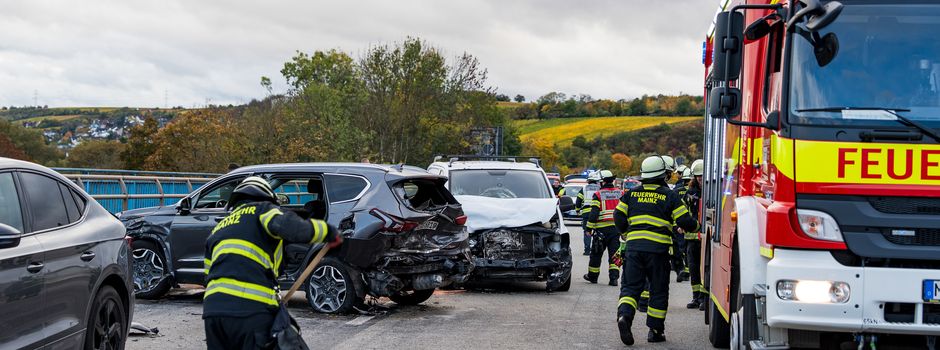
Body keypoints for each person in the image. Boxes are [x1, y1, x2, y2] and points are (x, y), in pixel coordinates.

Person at [203, 176, 343, 350]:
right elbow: (292, 227)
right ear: (267, 198)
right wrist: (329, 231)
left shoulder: (218, 228)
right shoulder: (263, 210)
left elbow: (208, 275)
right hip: (250, 310)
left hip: (213, 313)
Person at [613, 156, 699, 345]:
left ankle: (624, 317)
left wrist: (627, 232)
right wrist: (697, 226)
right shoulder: (670, 196)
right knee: (658, 290)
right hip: (658, 252)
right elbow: (685, 221)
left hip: (634, 249)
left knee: (630, 287)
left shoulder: (631, 193)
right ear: (663, 175)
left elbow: (618, 215)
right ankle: (655, 331)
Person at [583, 170, 624, 286]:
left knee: (596, 253)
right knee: (615, 254)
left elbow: (594, 213)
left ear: (602, 182)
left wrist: (588, 229)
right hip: (616, 230)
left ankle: (593, 276)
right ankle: (614, 279)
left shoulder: (598, 194)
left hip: (601, 230)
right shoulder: (620, 193)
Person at [685, 160, 706, 310]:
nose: (700, 179)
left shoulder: (712, 192)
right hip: (691, 237)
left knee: (704, 268)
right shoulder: (689, 193)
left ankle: (704, 298)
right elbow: (683, 211)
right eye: (698, 177)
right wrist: (681, 225)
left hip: (705, 237)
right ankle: (696, 297)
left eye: (702, 176)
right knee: (693, 268)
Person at [672, 165, 692, 283]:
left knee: (679, 248)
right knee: (688, 248)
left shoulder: (675, 191)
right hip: (690, 225)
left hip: (677, 225)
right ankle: (687, 271)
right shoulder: (694, 192)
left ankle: (681, 269)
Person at [577, 173, 601, 255]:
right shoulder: (600, 188)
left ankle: (587, 250)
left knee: (587, 231)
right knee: (598, 231)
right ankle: (597, 249)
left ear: (589, 180)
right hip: (598, 213)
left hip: (586, 213)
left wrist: (577, 210)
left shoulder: (584, 188)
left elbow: (578, 200)